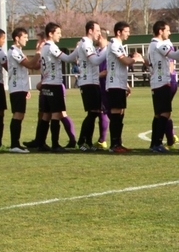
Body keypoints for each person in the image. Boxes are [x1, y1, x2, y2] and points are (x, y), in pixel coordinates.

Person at [39, 22, 78, 152]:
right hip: (54, 84)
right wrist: (78, 49)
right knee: (56, 114)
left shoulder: (44, 47)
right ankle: (55, 145)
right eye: (58, 33)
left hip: (46, 84)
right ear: (50, 34)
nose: (60, 35)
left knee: (46, 115)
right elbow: (68, 58)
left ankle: (41, 143)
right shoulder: (51, 47)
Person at [146, 20, 179, 153]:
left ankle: (153, 144)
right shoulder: (158, 44)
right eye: (167, 30)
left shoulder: (151, 45)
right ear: (160, 31)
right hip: (161, 82)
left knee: (158, 114)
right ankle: (157, 143)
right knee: (165, 113)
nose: (169, 33)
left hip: (156, 82)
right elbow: (175, 55)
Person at [106, 21, 142, 153]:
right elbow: (125, 61)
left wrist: (125, 85)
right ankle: (114, 145)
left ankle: (118, 143)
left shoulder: (119, 45)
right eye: (126, 31)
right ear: (118, 32)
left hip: (119, 84)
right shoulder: (114, 44)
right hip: (114, 84)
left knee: (120, 114)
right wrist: (136, 59)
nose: (128, 34)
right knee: (116, 114)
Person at [74, 21, 108, 151]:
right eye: (97, 30)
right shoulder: (86, 43)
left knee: (94, 112)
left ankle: (87, 142)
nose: (99, 33)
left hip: (92, 82)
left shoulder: (87, 44)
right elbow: (95, 60)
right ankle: (82, 142)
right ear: (90, 31)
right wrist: (108, 49)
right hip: (88, 82)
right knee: (92, 113)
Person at [6, 28, 38, 153]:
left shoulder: (18, 51)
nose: (27, 39)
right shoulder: (14, 51)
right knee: (18, 115)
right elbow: (30, 65)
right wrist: (38, 53)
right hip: (16, 87)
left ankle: (15, 144)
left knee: (20, 115)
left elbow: (32, 66)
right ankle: (14, 145)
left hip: (20, 87)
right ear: (17, 38)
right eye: (25, 37)